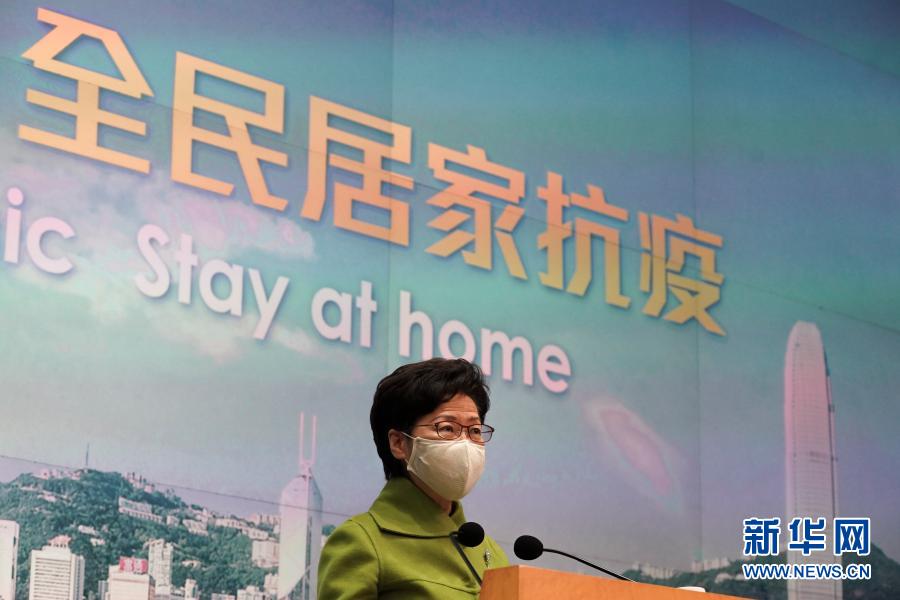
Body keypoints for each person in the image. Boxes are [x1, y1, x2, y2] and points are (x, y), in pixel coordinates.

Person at [317, 358, 509, 599]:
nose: (465, 443)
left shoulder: (489, 551)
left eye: (475, 431)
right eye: (446, 428)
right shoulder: (363, 540)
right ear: (399, 443)